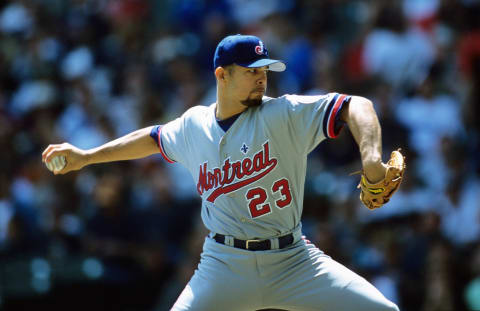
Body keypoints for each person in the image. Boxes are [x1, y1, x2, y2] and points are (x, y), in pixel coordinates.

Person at [42, 34, 400, 311]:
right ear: (222, 75)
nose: (262, 80)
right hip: (224, 265)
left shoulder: (284, 114)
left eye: (264, 71)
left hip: (293, 261)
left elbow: (357, 105)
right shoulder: (194, 125)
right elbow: (151, 138)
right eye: (251, 72)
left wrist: (371, 158)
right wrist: (87, 156)